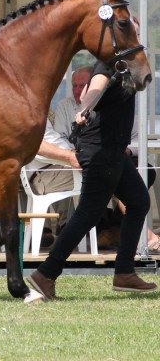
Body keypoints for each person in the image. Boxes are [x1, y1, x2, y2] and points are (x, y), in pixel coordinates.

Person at [28, 59, 158, 300]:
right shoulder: (109, 64)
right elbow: (93, 89)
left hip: (113, 149)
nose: (134, 32)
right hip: (100, 150)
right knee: (88, 213)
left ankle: (124, 272)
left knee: (138, 201)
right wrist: (83, 108)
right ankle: (45, 274)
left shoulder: (126, 63)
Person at [54, 65, 160, 250]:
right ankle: (50, 267)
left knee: (146, 173)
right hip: (85, 160)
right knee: (94, 206)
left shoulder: (116, 100)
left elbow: (136, 137)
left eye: (82, 85)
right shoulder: (65, 106)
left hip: (115, 156)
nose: (78, 90)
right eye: (75, 86)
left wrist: (127, 150)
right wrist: (78, 152)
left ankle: (118, 230)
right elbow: (59, 139)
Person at [23, 118, 81, 248]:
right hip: (45, 174)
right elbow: (37, 145)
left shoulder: (35, 111)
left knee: (110, 170)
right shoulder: (28, 114)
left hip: (51, 170)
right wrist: (72, 155)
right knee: (107, 172)